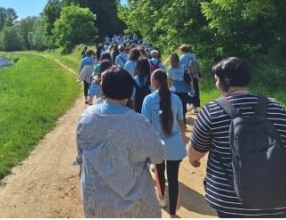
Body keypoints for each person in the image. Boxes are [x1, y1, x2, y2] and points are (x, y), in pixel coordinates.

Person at [187, 57, 286, 218]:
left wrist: (192, 159)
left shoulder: (211, 111)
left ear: (225, 81)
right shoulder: (278, 109)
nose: (216, 84)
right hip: (279, 200)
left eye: (217, 80)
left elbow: (196, 151)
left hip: (231, 204)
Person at [76, 67, 165, 217]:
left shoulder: (86, 118)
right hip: (137, 206)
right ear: (130, 92)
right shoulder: (139, 123)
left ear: (102, 88)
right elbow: (158, 156)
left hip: (97, 203)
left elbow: (80, 155)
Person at [142, 69, 188, 217]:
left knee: (159, 173)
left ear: (154, 81)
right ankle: (173, 214)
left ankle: (161, 199)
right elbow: (182, 122)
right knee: (173, 179)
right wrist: (183, 139)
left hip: (157, 144)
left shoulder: (148, 100)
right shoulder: (176, 99)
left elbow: (146, 125)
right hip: (175, 144)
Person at [180, 44, 201, 111]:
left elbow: (180, 67)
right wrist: (199, 75)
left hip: (186, 76)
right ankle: (195, 107)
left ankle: (188, 105)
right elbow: (197, 66)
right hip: (194, 75)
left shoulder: (182, 57)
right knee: (195, 90)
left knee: (187, 90)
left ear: (182, 50)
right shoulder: (193, 56)